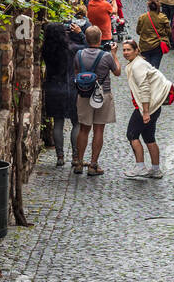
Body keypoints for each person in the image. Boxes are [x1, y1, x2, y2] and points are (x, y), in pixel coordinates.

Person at [73, 26, 120, 175]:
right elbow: (117, 72)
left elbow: (76, 72)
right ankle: (93, 165)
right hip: (102, 94)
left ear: (86, 39)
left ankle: (79, 163)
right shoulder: (106, 56)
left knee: (83, 129)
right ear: (100, 39)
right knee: (98, 129)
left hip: (84, 94)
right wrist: (114, 54)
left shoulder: (79, 54)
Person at [122, 39, 172, 179]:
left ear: (137, 50)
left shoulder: (138, 65)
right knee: (149, 137)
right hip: (154, 106)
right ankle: (156, 170)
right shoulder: (138, 63)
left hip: (146, 107)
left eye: (128, 50)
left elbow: (144, 89)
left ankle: (140, 167)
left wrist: (145, 111)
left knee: (132, 134)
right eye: (124, 50)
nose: (125, 53)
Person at [41, 23, 79, 167]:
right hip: (69, 88)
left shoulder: (45, 50)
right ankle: (75, 156)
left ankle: (60, 156)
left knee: (58, 123)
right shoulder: (71, 49)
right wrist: (79, 34)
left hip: (52, 88)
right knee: (76, 122)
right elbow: (89, 45)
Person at [136, 0, 171, 69]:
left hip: (144, 46)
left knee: (145, 68)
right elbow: (169, 32)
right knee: (155, 68)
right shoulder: (163, 17)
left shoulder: (142, 17)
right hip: (157, 46)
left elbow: (138, 31)